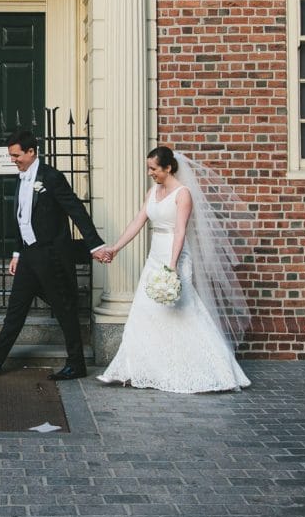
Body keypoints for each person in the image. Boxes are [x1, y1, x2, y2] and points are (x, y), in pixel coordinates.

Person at [94, 146, 251, 393]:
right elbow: (138, 220)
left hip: (174, 255)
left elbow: (180, 230)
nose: (150, 173)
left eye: (153, 168)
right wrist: (115, 248)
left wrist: (172, 265)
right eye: (148, 168)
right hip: (154, 255)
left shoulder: (183, 194)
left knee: (183, 313)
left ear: (168, 168)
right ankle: (131, 369)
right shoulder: (154, 191)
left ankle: (213, 370)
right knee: (144, 312)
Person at [0, 129, 106, 381]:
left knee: (64, 309)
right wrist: (17, 253)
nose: (13, 160)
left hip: (51, 255)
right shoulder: (22, 177)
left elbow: (76, 210)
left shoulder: (51, 177)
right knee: (15, 309)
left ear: (31, 151)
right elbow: (21, 218)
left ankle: (76, 364)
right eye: (10, 156)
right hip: (28, 255)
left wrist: (94, 245)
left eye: (16, 155)